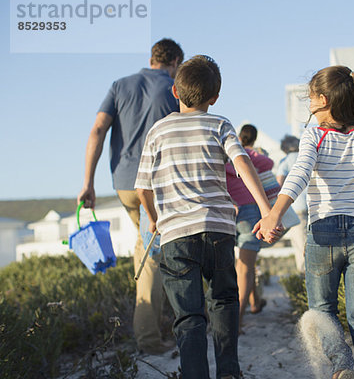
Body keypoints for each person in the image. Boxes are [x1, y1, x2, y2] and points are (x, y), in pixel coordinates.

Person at [135, 55, 280, 379]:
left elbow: (142, 188)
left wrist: (155, 218)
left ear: (175, 91)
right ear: (214, 97)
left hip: (176, 236)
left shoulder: (158, 130)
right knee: (225, 302)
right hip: (218, 230)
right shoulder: (220, 125)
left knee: (188, 317)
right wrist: (267, 209)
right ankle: (228, 371)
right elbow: (243, 166)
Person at [255, 65, 354, 379]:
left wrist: (274, 214)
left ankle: (342, 367)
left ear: (323, 100)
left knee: (322, 311)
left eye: (310, 98)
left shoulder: (315, 135)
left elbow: (299, 175)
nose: (308, 105)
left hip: (323, 232)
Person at [77, 38, 183, 355]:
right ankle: (150, 340)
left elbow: (97, 129)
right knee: (154, 255)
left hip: (124, 183)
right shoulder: (174, 88)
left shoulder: (119, 85)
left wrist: (88, 182)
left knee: (147, 247)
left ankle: (155, 329)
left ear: (152, 59)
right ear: (176, 61)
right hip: (158, 184)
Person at [225, 124, 276, 328]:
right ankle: (238, 321)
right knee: (246, 266)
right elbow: (269, 163)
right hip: (249, 208)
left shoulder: (224, 154)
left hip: (226, 209)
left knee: (236, 266)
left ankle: (252, 303)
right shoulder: (247, 154)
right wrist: (254, 152)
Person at [276, 135, 307, 273]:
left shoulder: (286, 160)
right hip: (315, 206)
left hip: (296, 208)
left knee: (300, 245)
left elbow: (279, 183)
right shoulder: (306, 157)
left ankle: (304, 278)